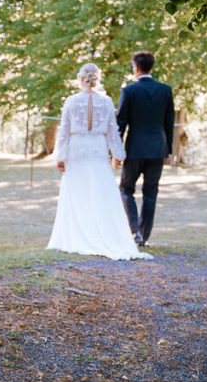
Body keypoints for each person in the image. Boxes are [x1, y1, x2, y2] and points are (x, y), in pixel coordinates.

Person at [47, 63, 151, 261]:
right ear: (98, 78)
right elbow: (113, 133)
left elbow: (64, 132)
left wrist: (60, 157)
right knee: (100, 192)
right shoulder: (106, 101)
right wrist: (118, 155)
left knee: (79, 193)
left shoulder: (71, 101)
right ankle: (101, 232)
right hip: (97, 150)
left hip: (77, 150)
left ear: (80, 78)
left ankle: (79, 234)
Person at [116, 51, 175, 247]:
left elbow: (121, 122)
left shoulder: (129, 91)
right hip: (158, 149)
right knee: (151, 193)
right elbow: (169, 122)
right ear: (152, 67)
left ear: (136, 68)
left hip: (134, 149)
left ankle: (135, 232)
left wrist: (116, 149)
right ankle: (144, 235)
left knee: (126, 189)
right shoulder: (165, 90)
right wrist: (168, 150)